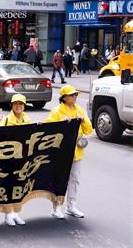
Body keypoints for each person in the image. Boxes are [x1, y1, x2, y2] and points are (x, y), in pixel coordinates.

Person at [45, 85, 92, 219]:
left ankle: (71, 206)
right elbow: (48, 130)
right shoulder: (56, 111)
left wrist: (83, 121)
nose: (75, 97)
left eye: (76, 94)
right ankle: (56, 207)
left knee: (75, 180)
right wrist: (61, 123)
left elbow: (89, 130)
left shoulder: (80, 111)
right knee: (60, 179)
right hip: (61, 152)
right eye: (72, 95)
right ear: (64, 98)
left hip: (76, 152)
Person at [0, 94, 31, 226]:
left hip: (21, 159)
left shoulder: (27, 119)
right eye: (16, 104)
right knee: (8, 187)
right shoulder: (6, 120)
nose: (18, 106)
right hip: (7, 159)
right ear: (12, 105)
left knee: (18, 187)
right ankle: (8, 215)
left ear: (24, 106)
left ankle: (16, 213)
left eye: (21, 104)